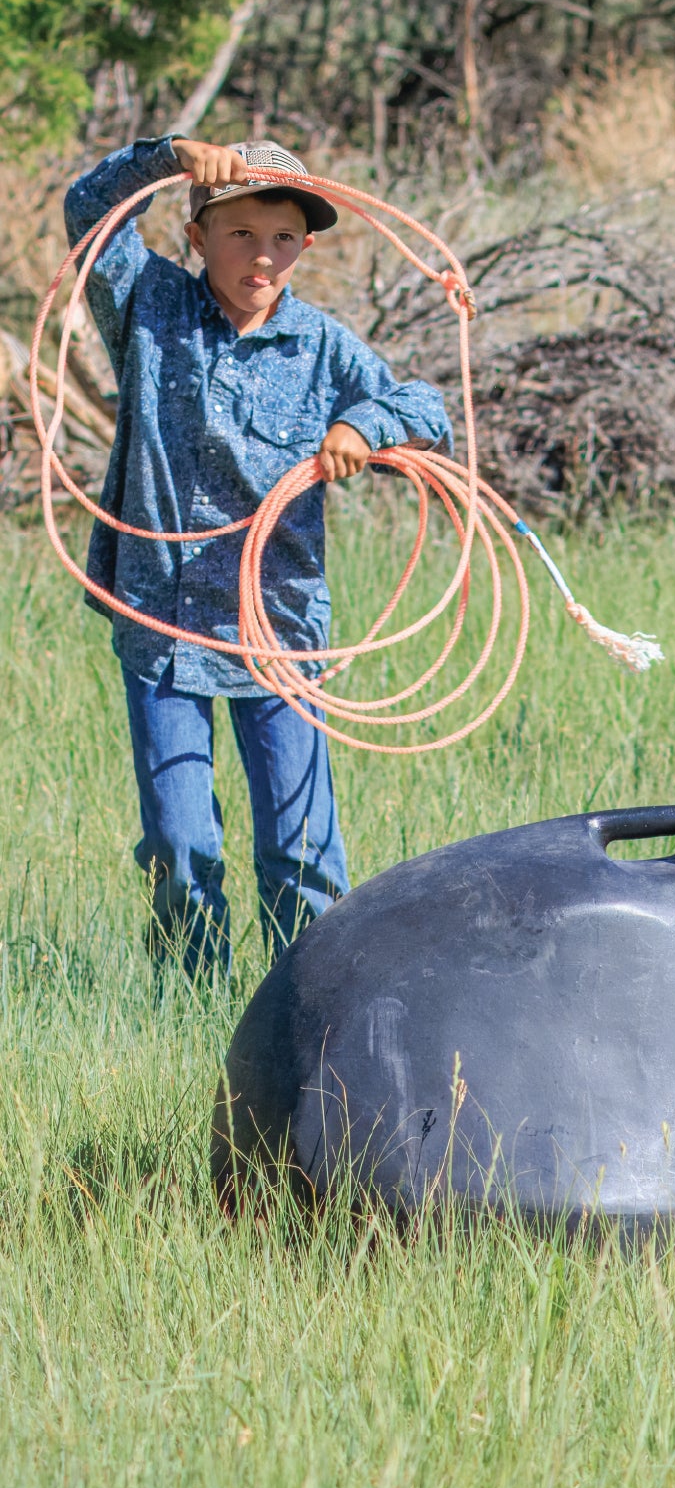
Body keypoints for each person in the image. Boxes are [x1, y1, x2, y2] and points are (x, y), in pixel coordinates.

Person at [64, 137, 453, 985]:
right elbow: (87, 212)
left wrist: (365, 427)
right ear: (197, 237)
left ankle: (306, 1007)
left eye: (282, 237)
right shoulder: (147, 307)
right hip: (160, 621)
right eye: (241, 234)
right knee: (180, 840)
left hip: (279, 627)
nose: (262, 255)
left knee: (301, 845)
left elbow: (427, 408)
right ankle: (194, 1005)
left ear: (305, 247)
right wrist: (167, 155)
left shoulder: (321, 347)